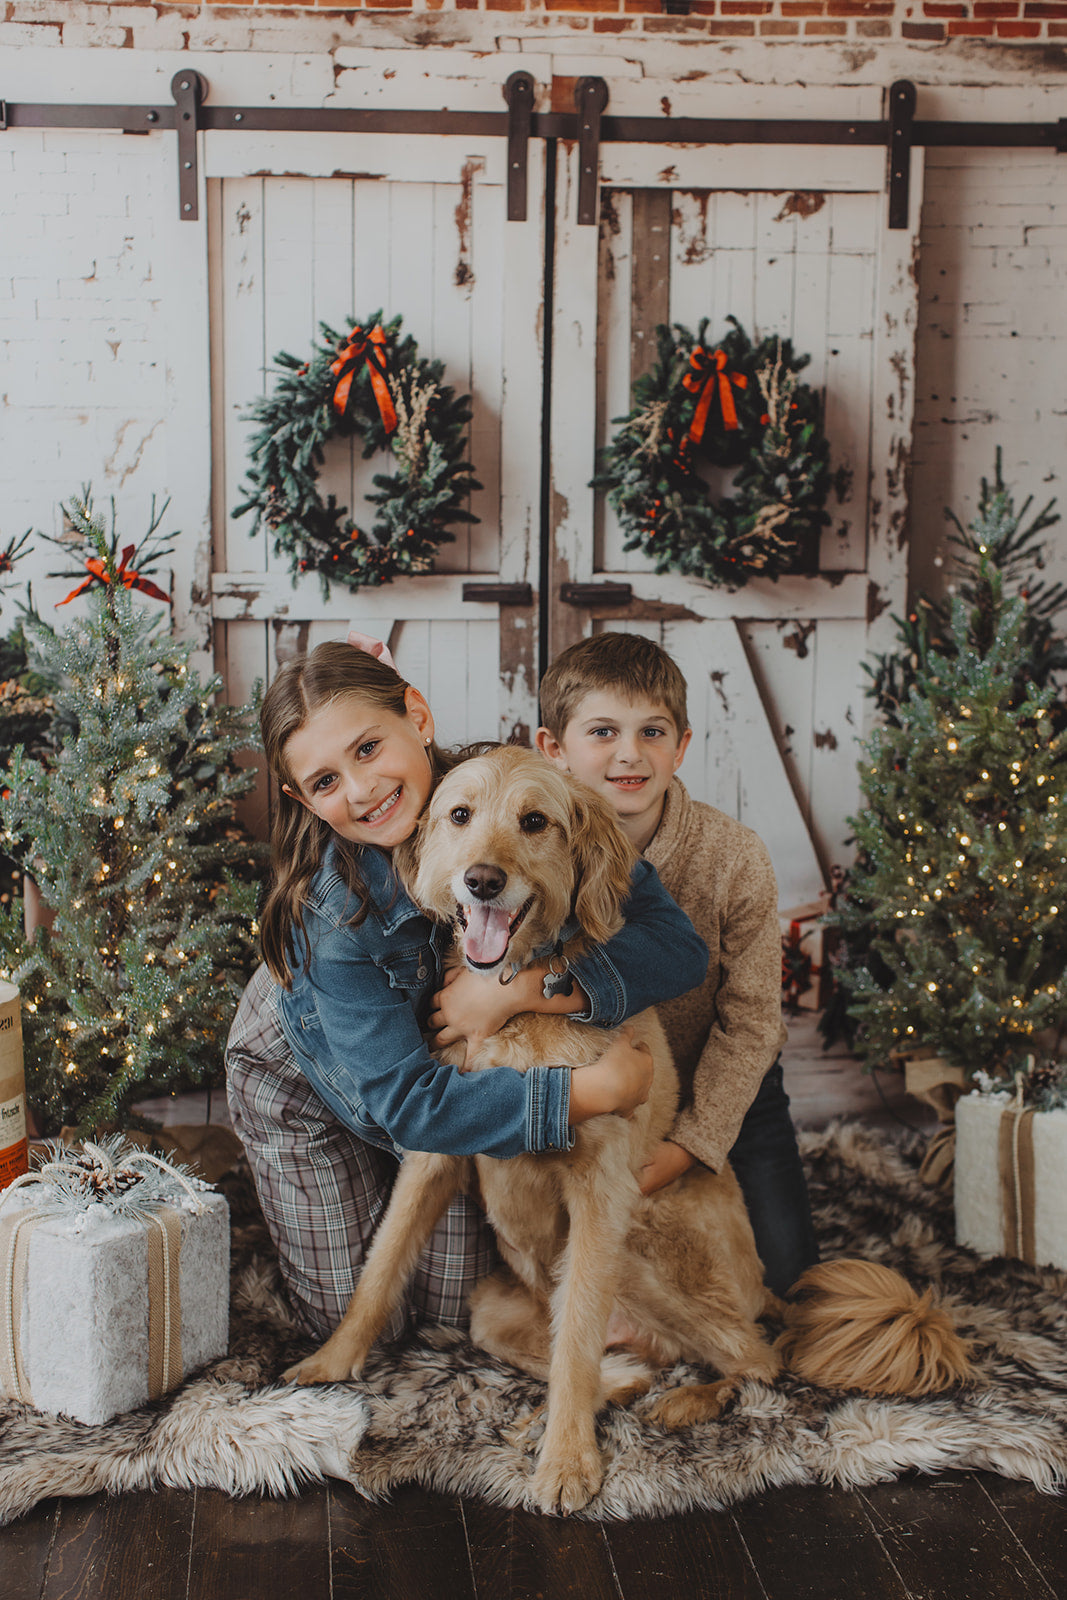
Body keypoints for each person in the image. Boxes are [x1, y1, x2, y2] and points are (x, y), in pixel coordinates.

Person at [225, 638, 708, 1342]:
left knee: (460, 1305)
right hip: (312, 1084)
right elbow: (406, 1104)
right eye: (326, 781)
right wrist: (588, 1094)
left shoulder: (507, 791)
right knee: (368, 1325)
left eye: (367, 749)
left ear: (416, 716)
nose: (361, 789)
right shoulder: (333, 921)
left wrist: (525, 992)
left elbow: (674, 947)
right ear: (302, 799)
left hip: (437, 1068)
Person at [535, 631, 819, 1297]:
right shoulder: (533, 841)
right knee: (561, 1276)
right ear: (554, 748)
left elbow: (752, 1025)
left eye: (652, 732)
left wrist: (691, 1144)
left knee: (787, 1289)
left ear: (681, 745)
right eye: (601, 731)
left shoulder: (734, 856)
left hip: (722, 1085)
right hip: (597, 1096)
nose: (629, 753)